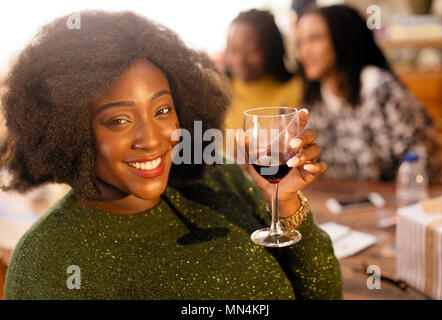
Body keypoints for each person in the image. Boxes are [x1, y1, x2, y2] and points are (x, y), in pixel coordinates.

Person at [1, 10, 341, 299]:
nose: (151, 139)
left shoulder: (221, 177)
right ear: (70, 131)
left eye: (162, 110)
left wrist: (283, 203)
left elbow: (322, 293)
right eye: (119, 120)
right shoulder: (43, 259)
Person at [293, 4, 442, 183]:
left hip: (402, 202)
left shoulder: (379, 88)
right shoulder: (314, 99)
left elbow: (420, 161)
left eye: (315, 38)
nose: (304, 52)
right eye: (300, 42)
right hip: (343, 203)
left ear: (343, 38)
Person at [223, 9, 303, 132]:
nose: (240, 60)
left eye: (250, 51)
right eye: (233, 50)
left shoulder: (296, 88)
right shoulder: (217, 88)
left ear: (271, 49)